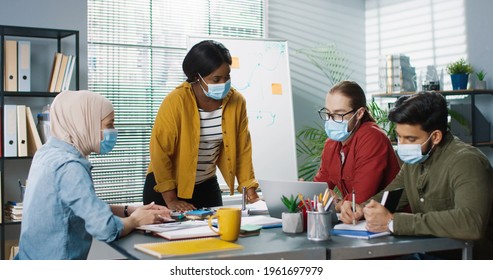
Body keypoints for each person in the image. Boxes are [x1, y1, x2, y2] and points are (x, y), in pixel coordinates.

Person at [15, 90, 171, 260]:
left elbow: (74, 206)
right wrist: (135, 220)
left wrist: (128, 210)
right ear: (86, 123)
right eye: (109, 125)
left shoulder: (47, 152)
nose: (113, 131)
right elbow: (106, 229)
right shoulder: (70, 167)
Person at [340, 91, 493, 259]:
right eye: (399, 137)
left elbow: (470, 222)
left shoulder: (467, 162)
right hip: (426, 253)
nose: (402, 145)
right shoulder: (414, 161)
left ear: (435, 137)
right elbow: (390, 195)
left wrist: (393, 222)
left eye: (410, 139)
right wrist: (361, 208)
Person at [142, 40, 259, 212]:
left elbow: (242, 150)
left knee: (216, 234)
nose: (223, 83)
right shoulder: (176, 101)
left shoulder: (236, 101)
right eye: (216, 79)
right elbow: (160, 152)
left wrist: (251, 192)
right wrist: (172, 200)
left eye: (227, 77)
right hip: (167, 187)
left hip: (206, 184)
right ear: (197, 77)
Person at [313, 81, 400, 210]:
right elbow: (318, 189)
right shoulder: (331, 144)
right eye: (328, 114)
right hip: (357, 220)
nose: (331, 120)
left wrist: (335, 202)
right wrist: (306, 191)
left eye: (338, 114)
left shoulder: (372, 138)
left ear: (359, 113)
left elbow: (359, 199)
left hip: (389, 221)